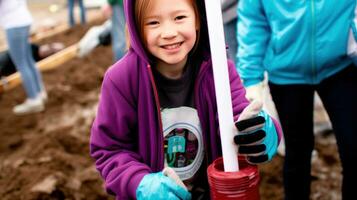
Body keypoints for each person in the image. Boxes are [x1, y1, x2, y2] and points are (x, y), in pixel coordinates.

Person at [90, 0, 282, 199]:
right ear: (137, 26)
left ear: (198, 19)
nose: (169, 32)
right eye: (153, 22)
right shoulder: (122, 79)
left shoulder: (219, 71)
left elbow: (239, 117)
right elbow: (110, 148)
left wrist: (260, 132)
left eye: (179, 18)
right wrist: (140, 183)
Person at [237, 1, 357, 199]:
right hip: (286, 75)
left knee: (354, 149)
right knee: (297, 153)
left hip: (340, 67)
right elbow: (253, 22)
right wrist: (251, 79)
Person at [0, 0, 47, 115]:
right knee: (28, 60)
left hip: (13, 23)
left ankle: (34, 99)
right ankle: (40, 93)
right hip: (23, 19)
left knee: (21, 63)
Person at [0, 42, 64, 77]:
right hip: (6, 58)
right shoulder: (32, 46)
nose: (48, 49)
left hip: (7, 69)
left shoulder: (39, 63)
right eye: (51, 46)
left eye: (52, 51)